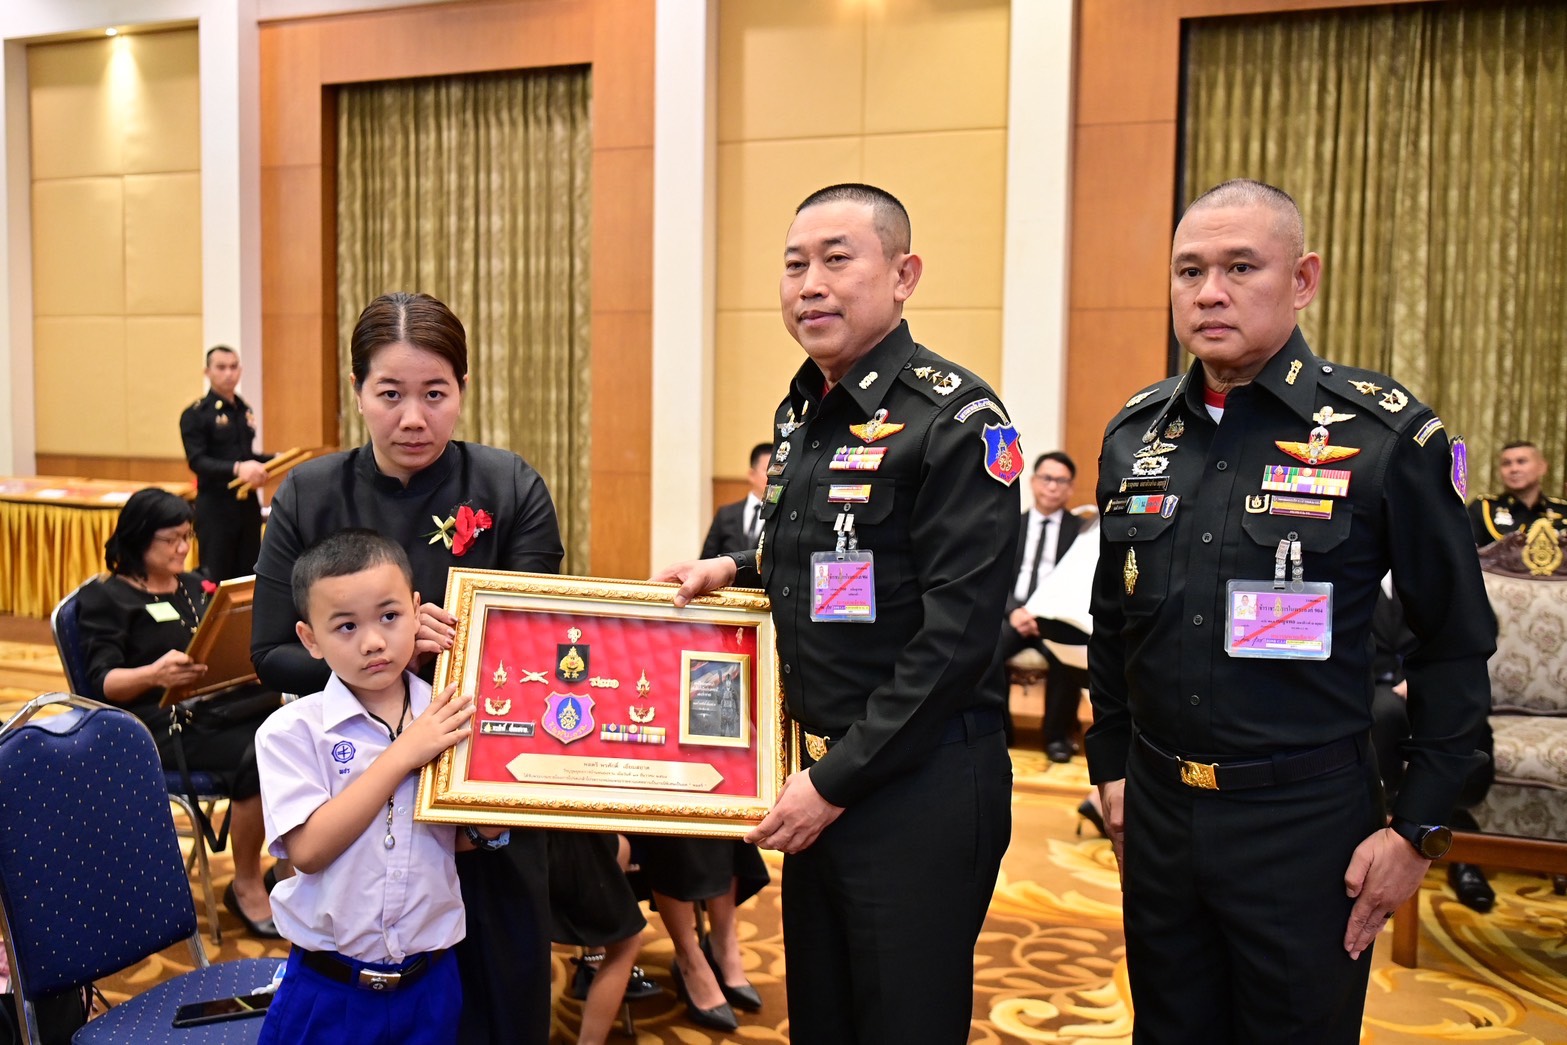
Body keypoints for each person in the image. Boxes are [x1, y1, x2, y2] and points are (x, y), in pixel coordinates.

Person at [1086, 179, 1495, 1042]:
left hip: (1304, 826)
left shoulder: (1383, 436)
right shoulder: (1135, 434)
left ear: (1302, 279)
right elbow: (1114, 623)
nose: (1209, 292)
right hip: (1159, 816)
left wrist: (1418, 829)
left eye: (1240, 268)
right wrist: (1111, 767)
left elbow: (1453, 643)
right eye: (1189, 271)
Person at [657, 183, 1018, 1042]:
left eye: (835, 259)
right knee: (824, 1017)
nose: (809, 284)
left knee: (900, 1021)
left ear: (903, 275)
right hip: (821, 778)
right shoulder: (803, 409)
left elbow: (956, 638)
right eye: (793, 265)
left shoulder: (956, 419)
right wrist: (733, 566)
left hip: (916, 783)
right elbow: (833, 556)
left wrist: (831, 783)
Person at [250, 292, 636, 1045]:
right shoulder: (310, 492)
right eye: (389, 394)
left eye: (435, 394)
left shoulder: (508, 485)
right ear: (357, 390)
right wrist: (396, 656)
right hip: (353, 796)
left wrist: (454, 654)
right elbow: (270, 654)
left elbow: (542, 651)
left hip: (484, 798)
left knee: (499, 1007)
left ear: (462, 388)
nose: (413, 419)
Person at [254, 529, 499, 1044]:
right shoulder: (292, 731)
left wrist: (487, 829)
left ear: (416, 610)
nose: (373, 642)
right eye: (346, 626)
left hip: (429, 981)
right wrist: (405, 753)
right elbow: (309, 851)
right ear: (310, 639)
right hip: (328, 987)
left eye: (389, 616)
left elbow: (439, 837)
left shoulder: (450, 713)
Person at [76, 487, 280, 937]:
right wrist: (154, 674)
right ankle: (246, 882)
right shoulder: (108, 599)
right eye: (171, 539)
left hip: (212, 708)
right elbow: (104, 683)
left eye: (188, 536)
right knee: (258, 753)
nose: (183, 548)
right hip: (152, 724)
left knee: (293, 731)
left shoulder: (192, 584)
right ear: (138, 538)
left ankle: (285, 868)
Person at [1369, 585, 1497, 913]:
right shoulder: (1352, 565)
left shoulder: (1437, 568)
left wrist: (1423, 680)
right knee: (1383, 713)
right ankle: (1386, 831)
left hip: (1438, 684)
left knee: (1459, 719)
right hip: (1371, 687)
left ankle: (1462, 848)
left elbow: (1476, 629)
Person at [997, 451, 1087, 760]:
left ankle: (1056, 737)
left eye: (1061, 481)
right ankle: (1001, 731)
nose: (1052, 486)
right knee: (985, 648)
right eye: (1047, 478)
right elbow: (996, 577)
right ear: (1034, 482)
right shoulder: (1011, 524)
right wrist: (1014, 610)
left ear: (1070, 488)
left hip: (1055, 617)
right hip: (1015, 614)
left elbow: (1081, 582)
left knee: (1069, 653)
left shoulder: (1081, 531)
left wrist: (1046, 613)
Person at [179, 346, 273, 582]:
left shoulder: (243, 409)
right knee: (217, 578)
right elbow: (198, 461)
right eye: (221, 367)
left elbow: (246, 456)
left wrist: (279, 460)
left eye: (233, 367)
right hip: (216, 509)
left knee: (249, 577)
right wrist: (238, 469)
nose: (229, 373)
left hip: (247, 507)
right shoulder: (196, 414)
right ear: (207, 372)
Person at [699, 442, 772, 586]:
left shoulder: (782, 517)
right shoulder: (726, 514)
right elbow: (706, 560)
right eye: (767, 470)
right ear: (751, 475)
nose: (773, 477)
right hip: (727, 593)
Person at [1468, 441, 1567, 545]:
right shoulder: (1483, 508)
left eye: (1521, 462)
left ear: (1542, 467)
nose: (1514, 469)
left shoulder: (1563, 509)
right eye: (1506, 463)